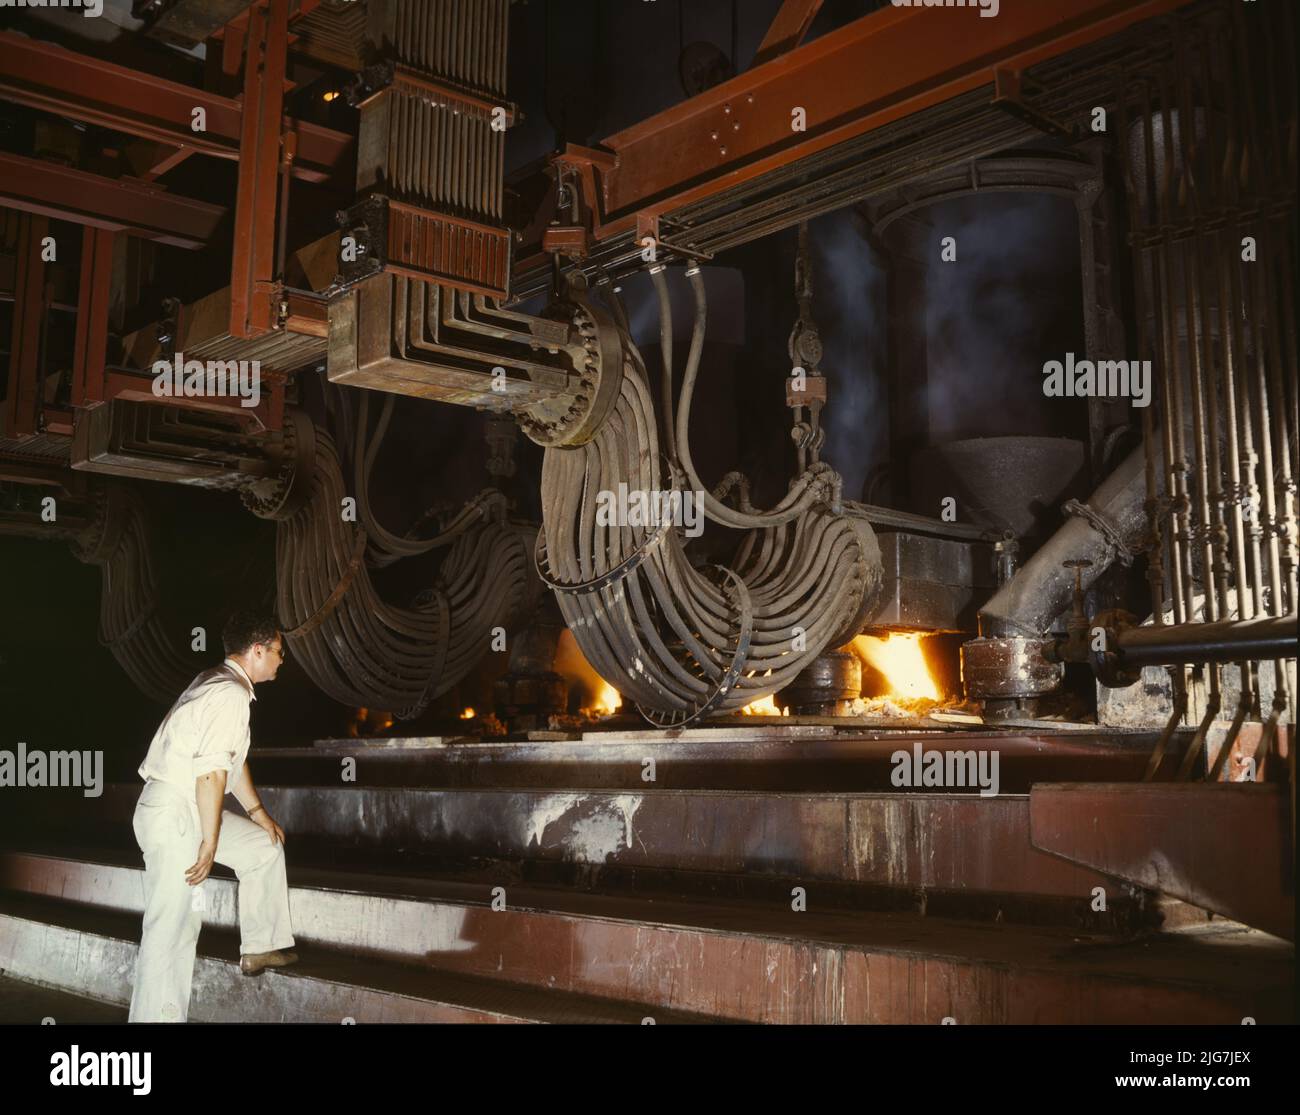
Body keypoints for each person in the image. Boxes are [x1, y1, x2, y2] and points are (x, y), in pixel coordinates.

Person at [128, 610, 298, 1023]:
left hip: (186, 808)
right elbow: (210, 773)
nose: (281, 659)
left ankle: (260, 944)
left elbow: (230, 765)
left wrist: (258, 813)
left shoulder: (220, 683)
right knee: (172, 927)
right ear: (257, 651)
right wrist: (209, 838)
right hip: (176, 812)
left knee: (264, 847)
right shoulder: (230, 694)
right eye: (278, 651)